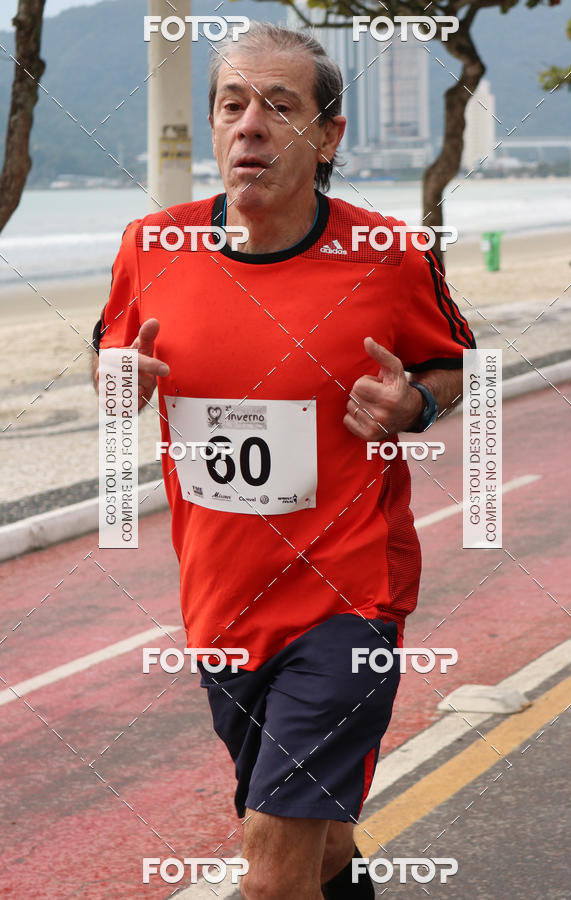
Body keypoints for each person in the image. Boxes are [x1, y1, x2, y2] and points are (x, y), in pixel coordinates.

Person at [92, 22, 475, 899]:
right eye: (233, 104)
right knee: (319, 843)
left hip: (349, 603)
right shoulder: (152, 248)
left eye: (278, 106)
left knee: (269, 860)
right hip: (221, 605)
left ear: (328, 134)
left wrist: (416, 403)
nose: (249, 126)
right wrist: (117, 384)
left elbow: (460, 366)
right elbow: (108, 362)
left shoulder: (387, 255)